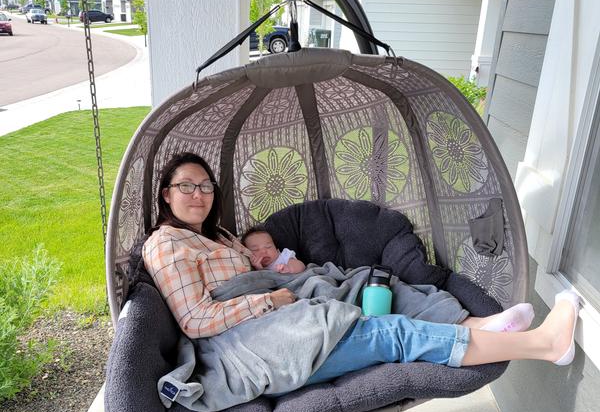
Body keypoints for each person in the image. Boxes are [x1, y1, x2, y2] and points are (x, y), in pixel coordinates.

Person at [142, 153, 582, 392]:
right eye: (185, 186)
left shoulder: (216, 234)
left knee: (369, 280)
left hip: (271, 312)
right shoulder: (166, 243)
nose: (197, 193)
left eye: (204, 185)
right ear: (166, 195)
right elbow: (196, 320)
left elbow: (263, 266)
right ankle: (543, 344)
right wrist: (269, 299)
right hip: (246, 341)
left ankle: (478, 324)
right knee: (385, 333)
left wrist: (281, 277)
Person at [241, 226, 306, 274]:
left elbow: (301, 266)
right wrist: (259, 269)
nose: (264, 251)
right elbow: (264, 280)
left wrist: (289, 268)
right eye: (256, 249)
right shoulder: (253, 268)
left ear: (277, 250)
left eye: (268, 247)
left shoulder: (283, 256)